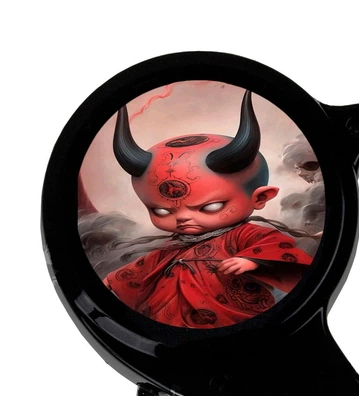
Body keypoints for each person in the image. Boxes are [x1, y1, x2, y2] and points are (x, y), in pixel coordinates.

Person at [105, 90, 314, 328]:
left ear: (260, 197)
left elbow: (274, 245)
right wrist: (112, 281)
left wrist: (249, 260)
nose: (183, 218)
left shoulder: (243, 234)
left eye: (210, 207)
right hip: (169, 316)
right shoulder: (175, 245)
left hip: (227, 312)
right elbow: (147, 265)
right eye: (162, 211)